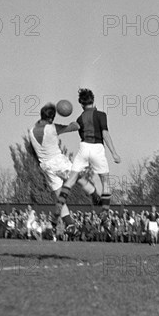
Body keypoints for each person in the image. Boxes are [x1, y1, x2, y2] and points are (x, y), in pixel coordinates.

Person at [29, 102, 100, 230]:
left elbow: (33, 151)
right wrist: (75, 121)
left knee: (59, 196)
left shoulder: (31, 131)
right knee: (78, 177)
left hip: (45, 166)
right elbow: (74, 127)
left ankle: (70, 224)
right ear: (51, 118)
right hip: (57, 161)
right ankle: (95, 196)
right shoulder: (52, 128)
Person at [55, 88, 121, 220]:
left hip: (84, 148)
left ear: (81, 104)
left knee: (71, 179)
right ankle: (105, 212)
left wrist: (57, 129)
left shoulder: (80, 118)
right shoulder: (101, 115)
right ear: (93, 100)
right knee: (105, 182)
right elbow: (105, 134)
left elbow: (72, 127)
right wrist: (114, 153)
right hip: (97, 148)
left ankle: (59, 206)